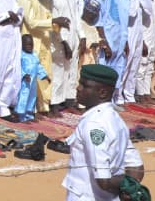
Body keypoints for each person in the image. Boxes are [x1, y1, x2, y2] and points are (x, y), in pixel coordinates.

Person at [62, 64, 145, 201]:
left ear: (102, 92)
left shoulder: (93, 125)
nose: (78, 88)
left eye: (84, 85)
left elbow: (103, 180)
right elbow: (136, 168)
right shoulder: (117, 120)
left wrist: (125, 185)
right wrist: (129, 186)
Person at [15, 34, 50, 121]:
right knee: (23, 97)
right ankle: (21, 116)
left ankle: (29, 115)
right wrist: (24, 74)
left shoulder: (34, 55)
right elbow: (17, 67)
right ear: (22, 44)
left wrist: (44, 75)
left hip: (33, 82)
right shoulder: (21, 55)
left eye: (31, 44)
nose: (30, 46)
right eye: (27, 44)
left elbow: (38, 66)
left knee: (32, 98)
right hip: (24, 82)